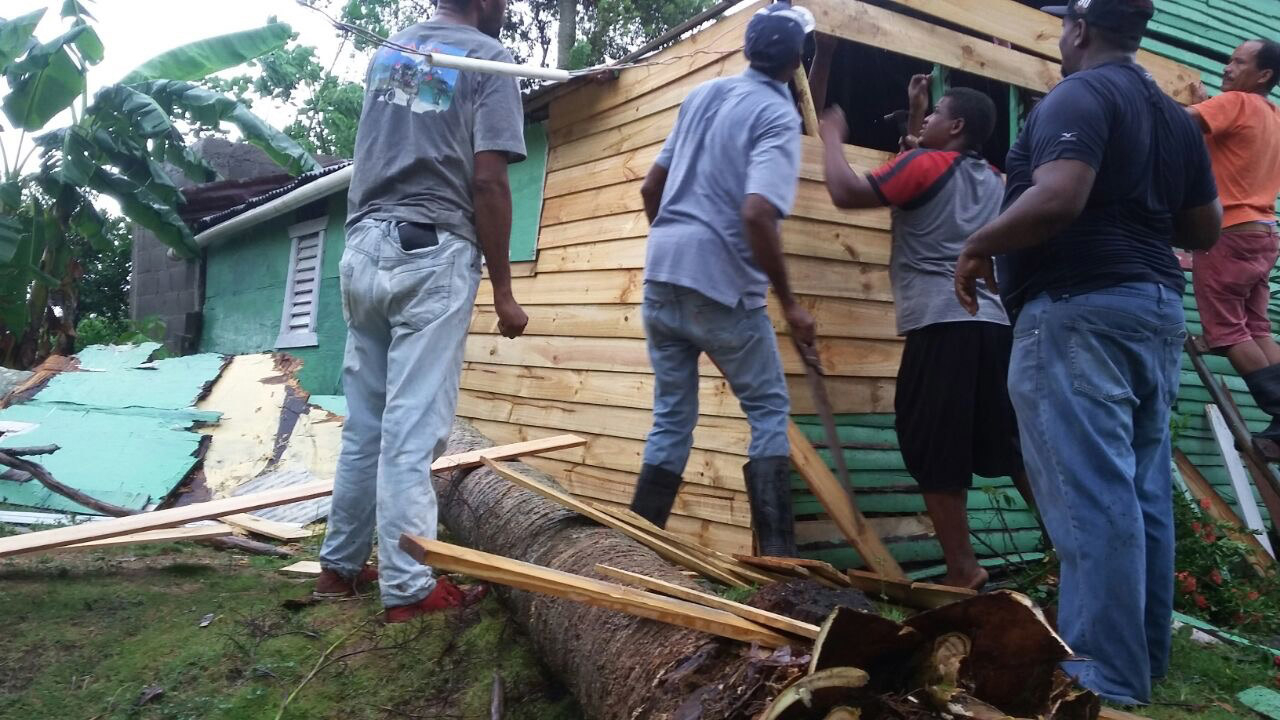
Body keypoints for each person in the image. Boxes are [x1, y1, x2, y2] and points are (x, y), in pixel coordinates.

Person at [953, 0, 1221, 705]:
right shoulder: (1173, 118)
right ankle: (1145, 660)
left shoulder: (1080, 93)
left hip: (1078, 310)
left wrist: (979, 244)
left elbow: (1061, 197)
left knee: (1090, 496)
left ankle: (1100, 673)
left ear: (1078, 29)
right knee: (1139, 493)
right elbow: (1204, 228)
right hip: (1154, 310)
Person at [315, 0, 530, 623]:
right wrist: (505, 293)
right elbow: (488, 181)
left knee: (367, 423)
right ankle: (409, 588)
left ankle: (340, 567)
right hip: (430, 252)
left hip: (363, 248)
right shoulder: (490, 58)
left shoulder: (391, 52)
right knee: (411, 431)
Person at [818, 78, 1030, 590]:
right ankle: (1069, 549)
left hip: (940, 326)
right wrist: (915, 114)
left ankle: (963, 570)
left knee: (935, 449)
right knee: (1013, 448)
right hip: (994, 330)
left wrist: (830, 136)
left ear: (956, 126)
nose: (925, 123)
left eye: (936, 115)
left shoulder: (923, 166)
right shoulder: (995, 179)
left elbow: (847, 192)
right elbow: (919, 168)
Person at [627, 1, 816, 557]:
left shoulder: (703, 95)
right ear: (797, 61)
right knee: (767, 410)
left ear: (746, 48)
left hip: (662, 275)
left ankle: (636, 550)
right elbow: (758, 213)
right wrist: (792, 305)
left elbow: (649, 191)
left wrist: (673, 244)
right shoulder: (778, 115)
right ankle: (778, 562)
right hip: (723, 287)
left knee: (671, 419)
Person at [1186, 39, 1280, 446]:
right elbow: (1224, 148)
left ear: (1263, 75)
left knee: (1225, 332)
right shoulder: (1273, 114)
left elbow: (1176, 123)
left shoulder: (1236, 103)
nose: (1226, 67)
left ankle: (1279, 410)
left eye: (1237, 61)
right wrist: (1209, 106)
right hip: (1263, 234)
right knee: (1257, 328)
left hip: (1228, 233)